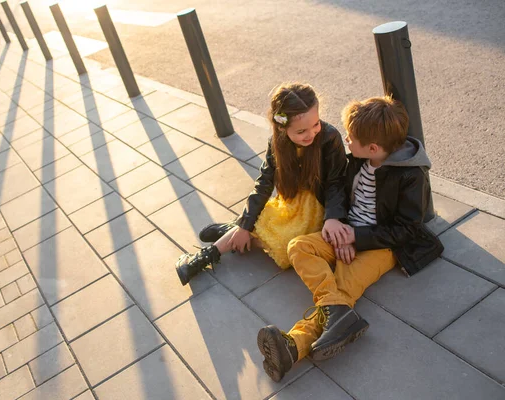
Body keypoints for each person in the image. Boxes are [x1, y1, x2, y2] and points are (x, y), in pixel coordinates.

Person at [256, 96, 444, 382]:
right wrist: (340, 226)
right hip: (347, 231)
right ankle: (338, 314)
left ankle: (294, 346)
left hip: (381, 246)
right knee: (299, 247)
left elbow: (407, 229)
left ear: (373, 148)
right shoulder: (358, 161)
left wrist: (356, 237)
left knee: (342, 285)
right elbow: (341, 193)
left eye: (351, 138)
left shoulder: (410, 176)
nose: (346, 140)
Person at [175, 82, 351, 285]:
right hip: (292, 202)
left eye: (316, 124)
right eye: (301, 131)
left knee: (286, 242)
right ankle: (203, 257)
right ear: (282, 128)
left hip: (320, 205)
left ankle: (233, 231)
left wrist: (334, 218)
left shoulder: (329, 137)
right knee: (260, 221)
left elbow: (336, 182)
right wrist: (245, 225)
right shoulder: (277, 143)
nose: (311, 133)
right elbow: (264, 183)